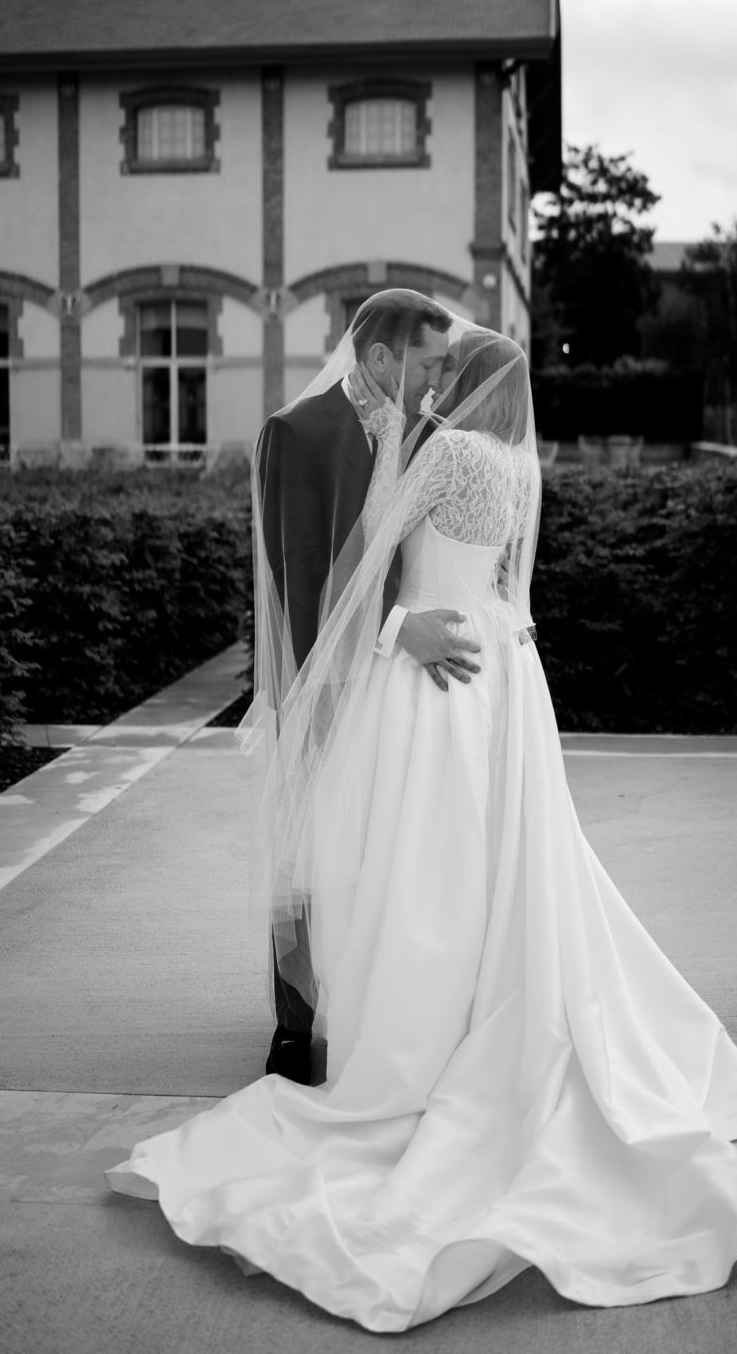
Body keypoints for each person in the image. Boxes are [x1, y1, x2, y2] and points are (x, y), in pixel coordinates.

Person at [106, 313, 737, 1333]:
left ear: (464, 381)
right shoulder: (518, 465)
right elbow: (503, 585)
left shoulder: (443, 453)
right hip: (505, 671)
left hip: (430, 678)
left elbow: (359, 570)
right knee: (504, 862)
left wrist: (397, 623)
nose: (432, 377)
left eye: (446, 366)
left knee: (415, 862)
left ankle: (410, 1030)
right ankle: (479, 1015)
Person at [251, 289, 483, 1084]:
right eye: (428, 363)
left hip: (403, 690)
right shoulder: (296, 433)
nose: (439, 380)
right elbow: (300, 576)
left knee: (385, 848)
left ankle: (379, 1005)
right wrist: (395, 631)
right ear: (381, 356)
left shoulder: (433, 436)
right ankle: (295, 1024)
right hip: (323, 676)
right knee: (310, 847)